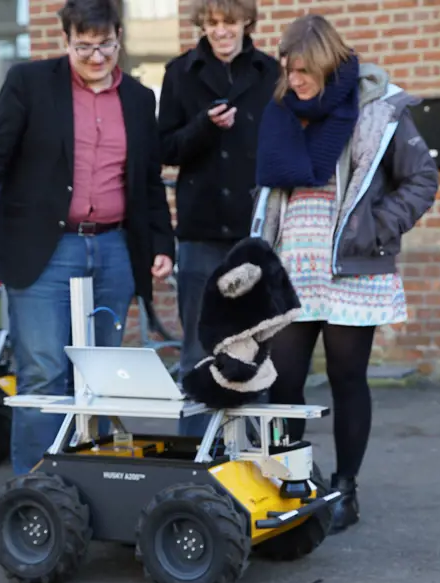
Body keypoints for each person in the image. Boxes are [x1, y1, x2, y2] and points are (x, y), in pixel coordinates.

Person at [0, 0, 175, 475]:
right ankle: (36, 492)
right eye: (83, 46)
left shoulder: (138, 98)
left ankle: (94, 483)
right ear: (66, 41)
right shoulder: (30, 83)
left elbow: (147, 180)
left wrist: (161, 244)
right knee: (43, 372)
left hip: (113, 248)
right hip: (45, 250)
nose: (95, 56)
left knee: (101, 375)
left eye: (104, 44)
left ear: (119, 39)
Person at [253, 15, 438, 533]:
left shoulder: (378, 109)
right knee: (284, 380)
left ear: (330, 64)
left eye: (305, 71)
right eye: (289, 71)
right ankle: (290, 482)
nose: (296, 82)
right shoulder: (283, 113)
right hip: (294, 268)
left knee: (346, 379)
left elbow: (421, 179)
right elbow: (270, 188)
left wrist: (379, 227)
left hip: (352, 271)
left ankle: (346, 489)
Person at [157, 0, 279, 437]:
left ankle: (257, 456)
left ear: (247, 22)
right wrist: (204, 128)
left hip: (256, 229)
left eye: (229, 22)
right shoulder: (180, 73)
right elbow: (166, 150)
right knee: (199, 346)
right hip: (200, 228)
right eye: (211, 23)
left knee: (259, 348)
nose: (221, 31)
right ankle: (197, 457)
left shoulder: (270, 73)